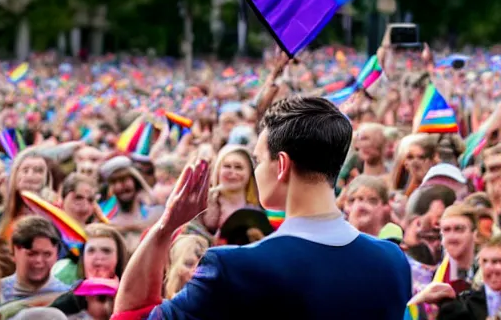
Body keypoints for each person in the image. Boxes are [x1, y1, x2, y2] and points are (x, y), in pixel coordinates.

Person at [112, 96, 412, 320]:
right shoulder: (393, 261)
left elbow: (132, 314)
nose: (255, 172)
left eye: (257, 161)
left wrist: (166, 227)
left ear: (281, 164)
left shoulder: (234, 268)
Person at [0, 215, 69, 305]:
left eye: (47, 254)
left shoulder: (67, 298)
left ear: (57, 256)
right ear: (13, 252)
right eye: (32, 254)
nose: (39, 260)